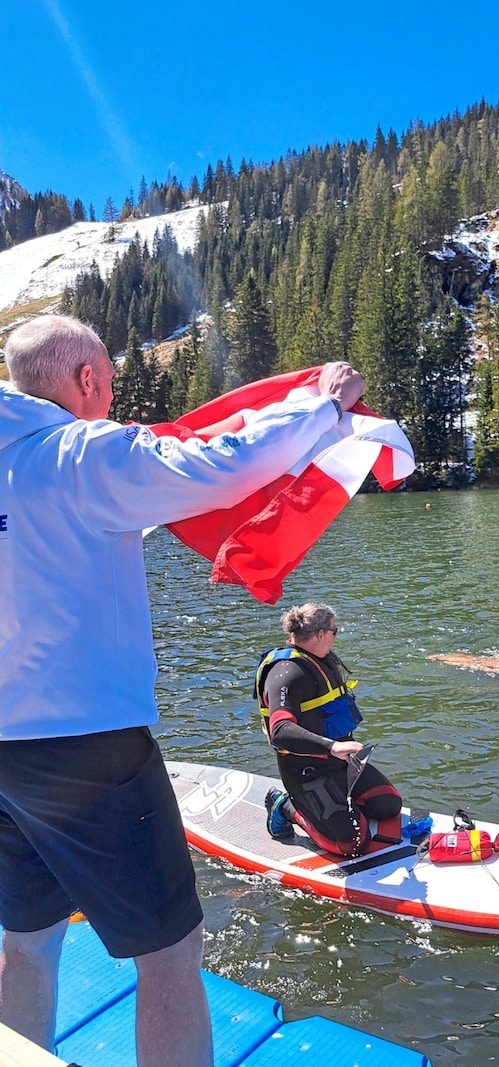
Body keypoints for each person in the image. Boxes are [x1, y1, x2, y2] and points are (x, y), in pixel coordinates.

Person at [0, 314, 365, 1065]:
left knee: (25, 939)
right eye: (108, 385)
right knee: (169, 952)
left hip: (5, 758)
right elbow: (220, 462)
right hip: (89, 750)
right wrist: (322, 407)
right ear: (89, 381)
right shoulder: (80, 451)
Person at [256, 603, 401, 858]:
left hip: (342, 763)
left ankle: (334, 809)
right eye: (334, 631)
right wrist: (332, 747)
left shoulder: (321, 659)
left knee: (389, 804)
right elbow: (279, 730)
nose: (335, 636)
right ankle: (286, 806)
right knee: (353, 843)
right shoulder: (285, 673)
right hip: (306, 769)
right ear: (320, 634)